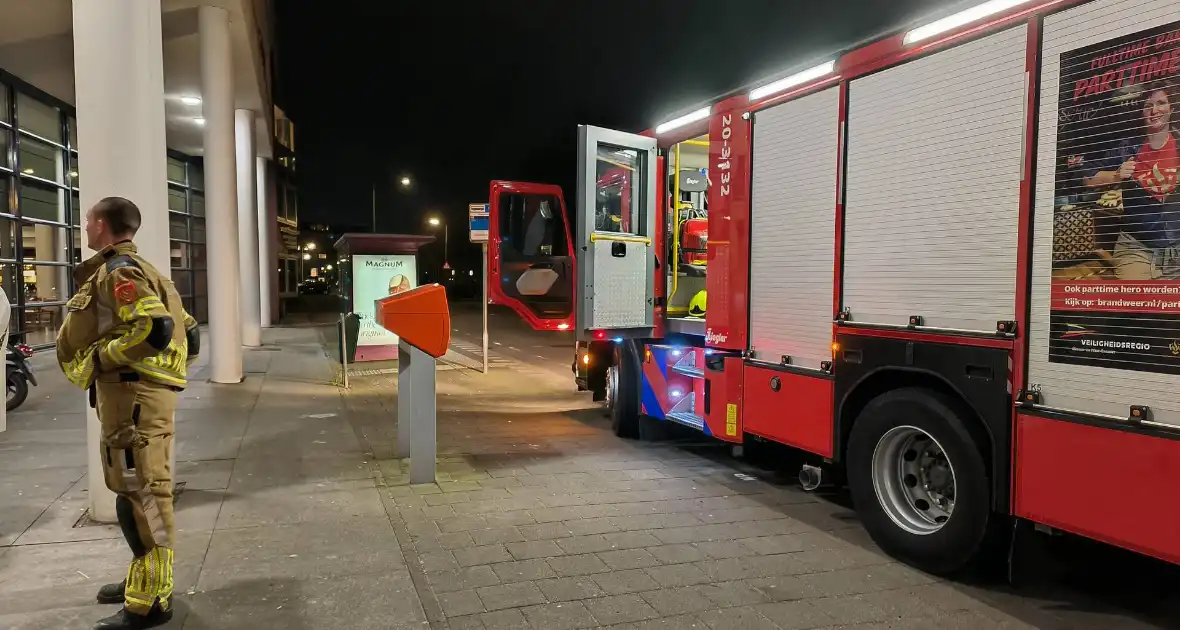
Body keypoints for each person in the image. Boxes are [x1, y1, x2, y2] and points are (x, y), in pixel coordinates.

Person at [56, 196, 199, 630]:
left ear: (101, 224)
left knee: (144, 496)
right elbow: (190, 338)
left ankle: (151, 600)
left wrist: (105, 359)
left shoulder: (121, 272)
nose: (83, 227)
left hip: (132, 400)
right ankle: (145, 578)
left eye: (86, 221)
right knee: (133, 491)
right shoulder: (148, 271)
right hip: (136, 399)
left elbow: (157, 329)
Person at [1084, 80, 1180, 279]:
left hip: (1177, 248)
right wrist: (1116, 175)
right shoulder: (1127, 147)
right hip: (1136, 247)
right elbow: (1086, 177)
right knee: (1136, 301)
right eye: (1148, 106)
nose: (1154, 110)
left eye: (1161, 103)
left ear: (1172, 107)